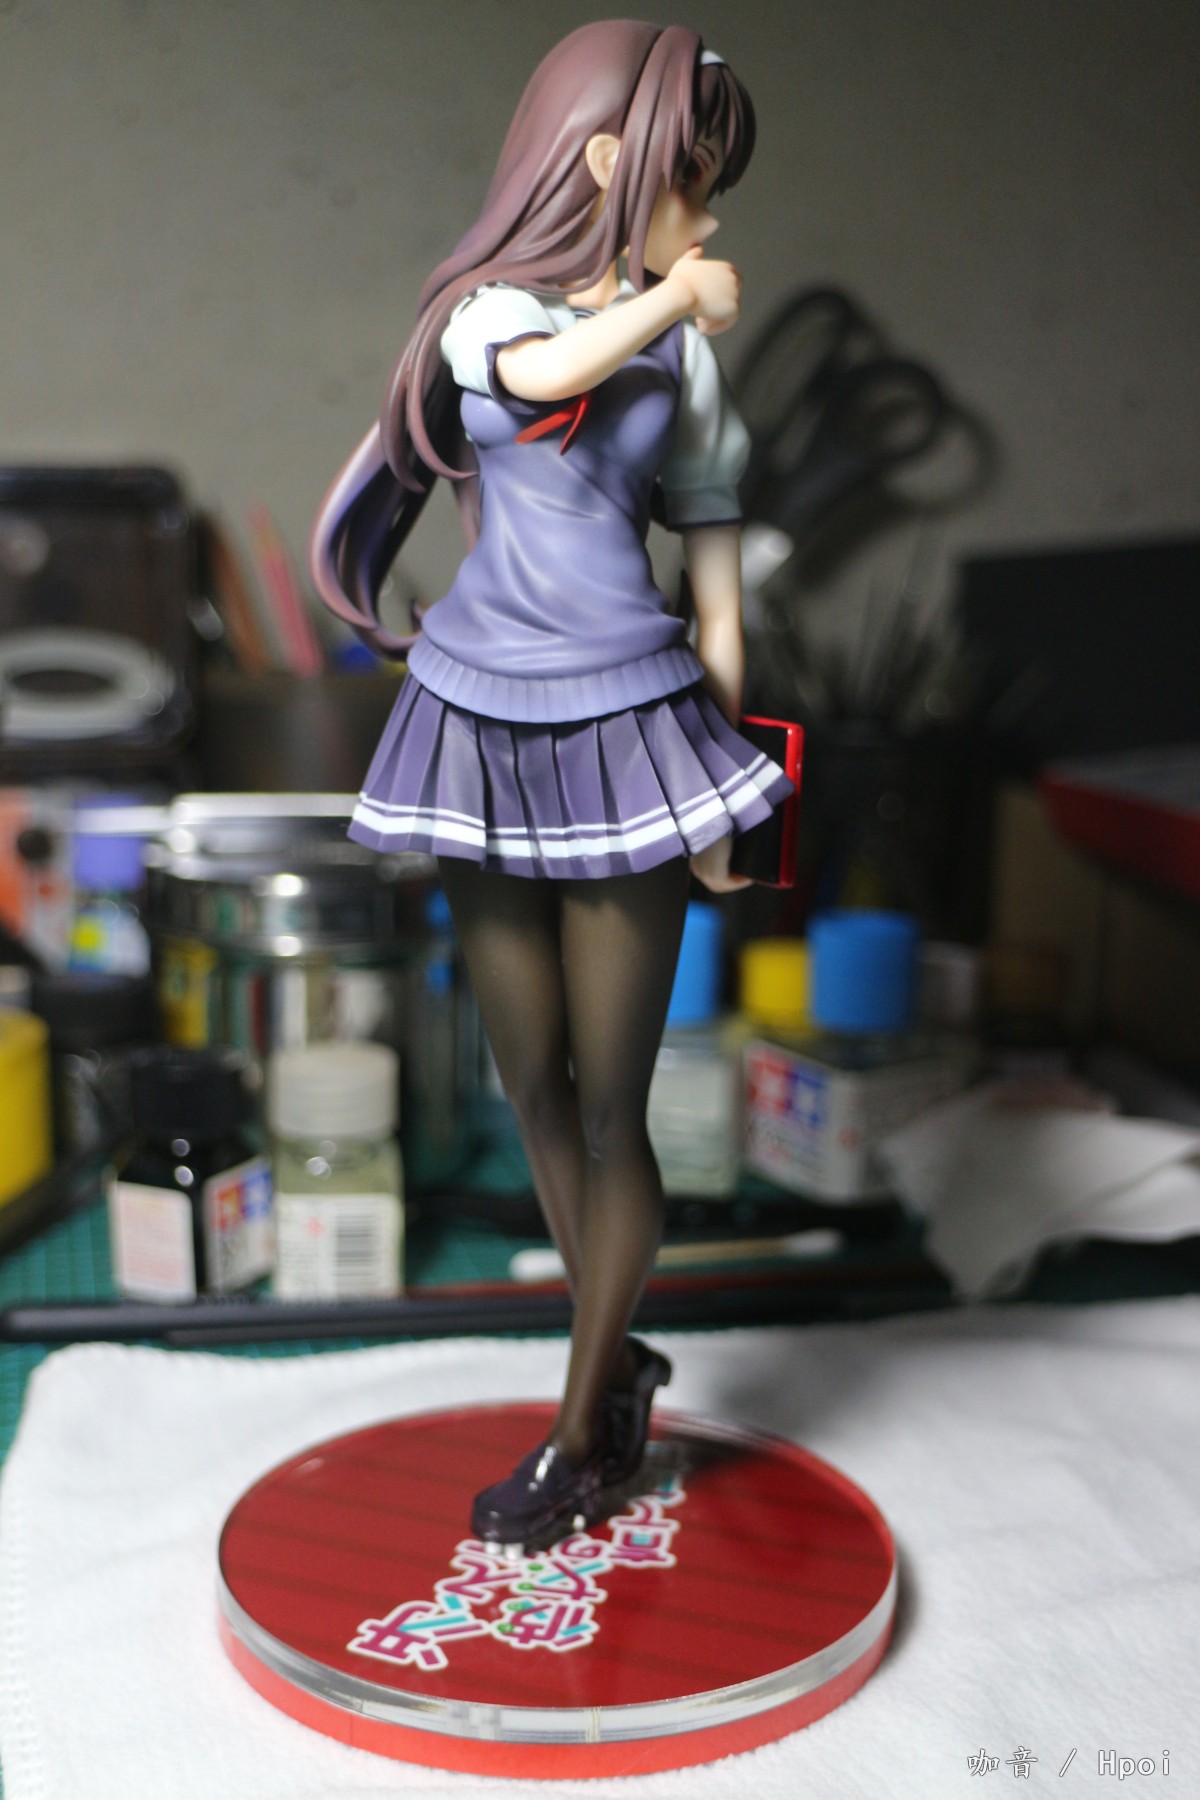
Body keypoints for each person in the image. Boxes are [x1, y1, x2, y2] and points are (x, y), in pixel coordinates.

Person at [310, 20, 793, 1545]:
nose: (702, 225)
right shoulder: (490, 316)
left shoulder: (688, 363)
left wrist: (729, 790)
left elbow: (719, 599)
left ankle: (582, 1431)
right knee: (529, 1081)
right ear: (604, 162)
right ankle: (616, 1360)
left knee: (610, 1113)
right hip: (477, 720)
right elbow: (539, 378)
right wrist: (670, 298)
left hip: (630, 734)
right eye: (688, 185)